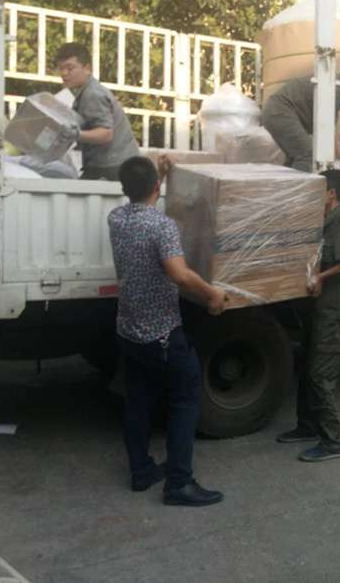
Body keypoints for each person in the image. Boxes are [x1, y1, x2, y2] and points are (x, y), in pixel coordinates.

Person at [108, 155, 228, 506]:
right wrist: (212, 294)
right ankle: (179, 484)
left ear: (125, 188)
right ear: (157, 188)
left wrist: (154, 176)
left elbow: (140, 203)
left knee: (137, 401)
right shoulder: (163, 226)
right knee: (185, 400)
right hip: (161, 333)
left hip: (129, 330)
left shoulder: (116, 218)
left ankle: (141, 471)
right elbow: (178, 273)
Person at [276, 169, 340, 461]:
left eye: (319, 189)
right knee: (305, 368)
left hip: (331, 312)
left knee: (320, 376)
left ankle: (333, 441)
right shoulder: (322, 220)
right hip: (314, 309)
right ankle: (307, 426)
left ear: (331, 193)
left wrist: (321, 276)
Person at [262, 64, 340, 172]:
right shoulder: (336, 90)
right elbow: (328, 127)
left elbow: (329, 125)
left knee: (296, 157)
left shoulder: (338, 86)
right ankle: (298, 186)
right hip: (280, 110)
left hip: (277, 111)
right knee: (308, 155)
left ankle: (286, 185)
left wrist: (338, 152)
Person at [55, 42, 139, 181]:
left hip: (113, 166)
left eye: (70, 68)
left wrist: (76, 135)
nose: (64, 73)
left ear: (87, 69)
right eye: (61, 68)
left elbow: (106, 134)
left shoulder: (92, 94)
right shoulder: (86, 91)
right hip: (114, 163)